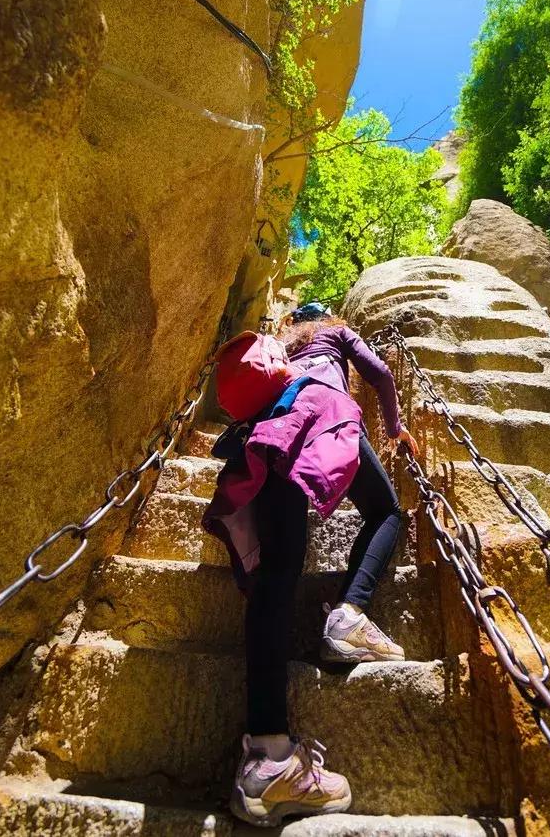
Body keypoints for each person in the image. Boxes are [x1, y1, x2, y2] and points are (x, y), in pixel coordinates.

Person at [205, 301, 418, 827]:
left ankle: (268, 758)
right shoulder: (337, 332)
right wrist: (394, 428)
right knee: (387, 509)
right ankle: (349, 612)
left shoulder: (285, 347)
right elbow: (381, 373)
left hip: (272, 424)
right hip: (324, 410)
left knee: (277, 574)